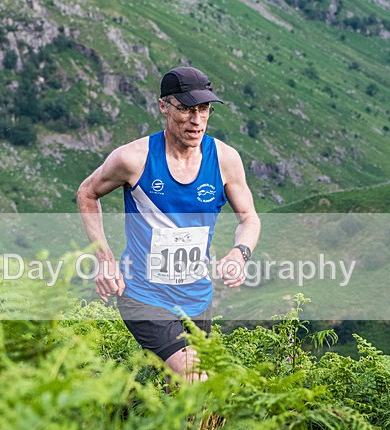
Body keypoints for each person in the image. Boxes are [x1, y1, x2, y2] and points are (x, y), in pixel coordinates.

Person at [77, 66, 261, 384]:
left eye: (203, 110)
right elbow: (87, 193)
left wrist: (239, 253)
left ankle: (141, 427)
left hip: (197, 298)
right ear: (164, 106)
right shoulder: (133, 159)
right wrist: (104, 258)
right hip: (143, 296)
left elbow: (249, 218)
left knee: (180, 394)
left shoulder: (224, 159)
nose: (196, 120)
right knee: (200, 383)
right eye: (187, 109)